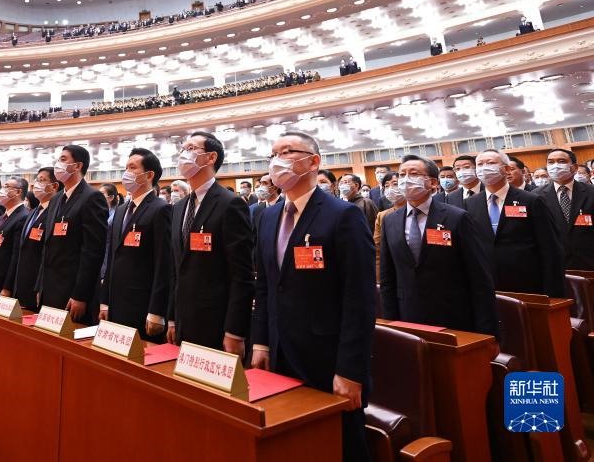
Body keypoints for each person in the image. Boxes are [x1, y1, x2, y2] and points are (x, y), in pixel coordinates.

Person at [251, 131, 374, 462]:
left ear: (313, 161)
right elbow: (265, 285)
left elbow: (360, 299)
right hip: (278, 350)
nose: (277, 161)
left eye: (287, 152)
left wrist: (351, 370)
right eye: (273, 154)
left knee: (342, 445)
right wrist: (261, 342)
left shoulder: (343, 214)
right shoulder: (267, 216)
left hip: (327, 356)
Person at [379, 155, 498, 336]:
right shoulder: (390, 220)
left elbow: (479, 276)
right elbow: (388, 277)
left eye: (414, 174)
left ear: (433, 183)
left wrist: (488, 332)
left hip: (453, 315)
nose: (406, 180)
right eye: (402, 175)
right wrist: (391, 324)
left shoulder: (457, 217)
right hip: (408, 315)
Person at [167, 131, 254, 354]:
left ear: (211, 157)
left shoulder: (230, 204)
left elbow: (241, 274)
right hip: (183, 319)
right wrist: (172, 318)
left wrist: (235, 331)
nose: (183, 154)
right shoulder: (179, 207)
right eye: (182, 149)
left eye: (190, 148)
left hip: (216, 321)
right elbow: (176, 268)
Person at [465, 149, 564, 296]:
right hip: (488, 284)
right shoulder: (470, 203)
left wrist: (553, 291)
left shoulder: (531, 200)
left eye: (490, 163)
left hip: (528, 282)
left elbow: (550, 246)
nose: (484, 168)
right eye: (480, 164)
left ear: (506, 169)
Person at [101, 148, 172, 342]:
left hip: (142, 304)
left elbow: (163, 263)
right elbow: (112, 256)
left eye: (132, 168)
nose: (126, 172)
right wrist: (105, 301)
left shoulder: (161, 209)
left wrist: (157, 310)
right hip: (116, 302)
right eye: (126, 167)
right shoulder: (121, 209)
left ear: (149, 175)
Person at [36, 144, 106, 323]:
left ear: (78, 166)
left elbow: (93, 251)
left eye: (63, 159)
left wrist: (80, 295)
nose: (58, 164)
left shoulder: (92, 197)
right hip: (50, 287)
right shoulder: (56, 198)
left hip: (72, 292)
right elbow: (48, 245)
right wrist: (40, 286)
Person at [12, 168, 60, 311]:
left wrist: (40, 285)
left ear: (54, 186)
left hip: (38, 285)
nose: (36, 184)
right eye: (36, 180)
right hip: (22, 282)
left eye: (42, 180)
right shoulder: (33, 212)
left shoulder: (56, 212)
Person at [537, 148, 594, 270]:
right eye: (550, 162)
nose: (555, 166)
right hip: (554, 265)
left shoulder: (591, 192)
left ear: (574, 167)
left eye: (561, 161)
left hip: (589, 263)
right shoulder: (536, 196)